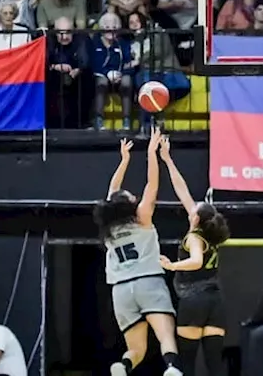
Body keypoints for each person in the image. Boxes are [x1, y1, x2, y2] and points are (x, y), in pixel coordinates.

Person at [94, 130, 183, 376]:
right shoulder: (142, 217)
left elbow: (113, 191)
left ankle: (121, 367)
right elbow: (152, 184)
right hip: (148, 282)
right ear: (129, 203)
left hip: (120, 290)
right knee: (165, 334)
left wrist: (124, 160)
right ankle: (173, 369)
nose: (134, 195)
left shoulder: (109, 226)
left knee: (136, 348)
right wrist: (151, 153)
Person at [158, 135, 231, 376]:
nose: (190, 207)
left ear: (196, 218)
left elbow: (197, 261)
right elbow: (182, 189)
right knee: (215, 364)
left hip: (194, 301)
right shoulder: (208, 232)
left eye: (193, 209)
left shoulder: (194, 238)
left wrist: (172, 266)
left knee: (187, 364)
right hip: (216, 302)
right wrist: (167, 160)